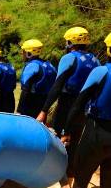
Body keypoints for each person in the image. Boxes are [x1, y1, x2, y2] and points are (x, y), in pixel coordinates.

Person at [36, 27, 100, 185]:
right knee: (75, 143)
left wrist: (44, 110)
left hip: (67, 105)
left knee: (59, 141)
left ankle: (58, 178)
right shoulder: (95, 60)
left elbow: (57, 86)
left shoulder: (69, 58)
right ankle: (70, 179)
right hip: (85, 108)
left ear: (70, 42)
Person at [61, 32, 111, 188]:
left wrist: (67, 131)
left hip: (97, 132)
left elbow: (78, 103)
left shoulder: (101, 71)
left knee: (81, 176)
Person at [17, 39, 56, 117]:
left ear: (29, 53)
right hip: (44, 103)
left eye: (24, 52)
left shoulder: (32, 65)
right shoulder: (47, 64)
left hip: (31, 104)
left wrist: (19, 110)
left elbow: (25, 90)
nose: (22, 54)